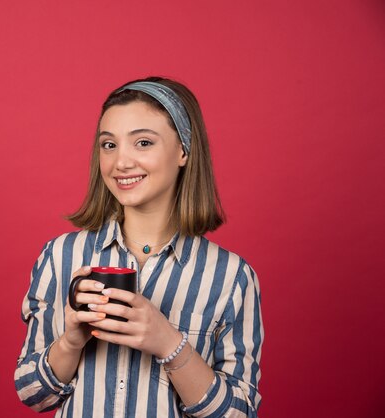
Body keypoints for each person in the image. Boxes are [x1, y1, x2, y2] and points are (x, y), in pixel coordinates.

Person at [14, 77, 263, 417]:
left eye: (143, 143)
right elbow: (32, 393)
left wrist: (168, 343)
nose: (121, 163)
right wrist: (70, 342)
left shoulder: (233, 277)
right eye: (109, 145)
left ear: (183, 151)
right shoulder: (60, 257)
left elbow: (240, 412)